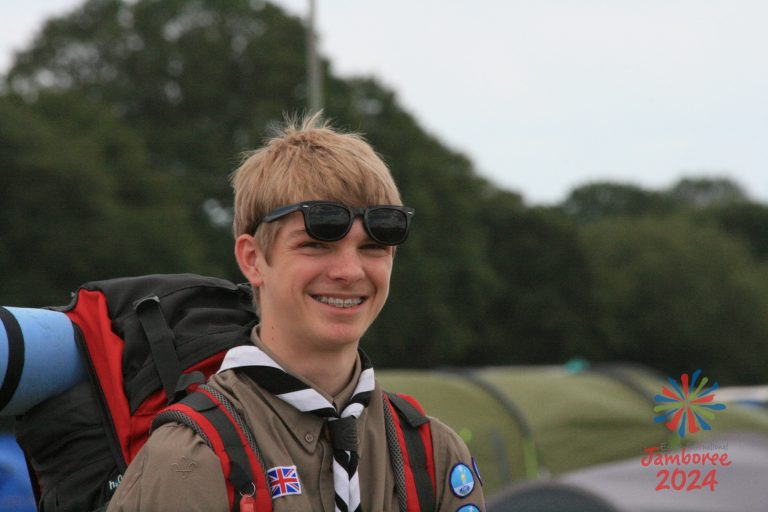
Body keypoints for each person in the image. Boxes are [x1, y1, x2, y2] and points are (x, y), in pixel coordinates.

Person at [107, 114, 485, 511]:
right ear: (253, 260)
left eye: (373, 247)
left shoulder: (430, 455)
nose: (349, 271)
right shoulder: (193, 457)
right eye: (316, 245)